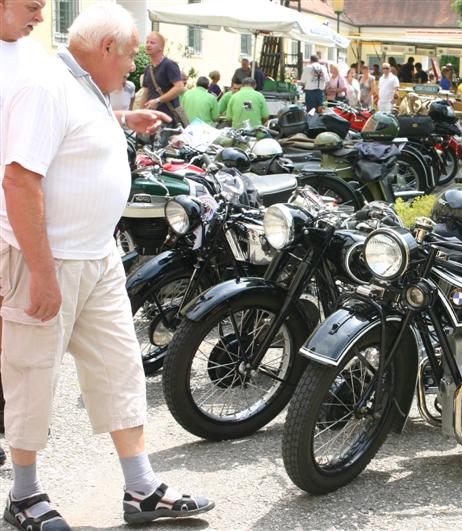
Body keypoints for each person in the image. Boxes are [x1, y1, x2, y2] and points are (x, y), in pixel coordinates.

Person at [0, 3, 215, 528]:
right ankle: (24, 496)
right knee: (32, 376)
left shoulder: (83, 85)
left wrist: (122, 118)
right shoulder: (46, 85)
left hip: (97, 257)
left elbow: (72, 137)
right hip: (49, 261)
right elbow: (19, 180)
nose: (134, 69)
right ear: (105, 49)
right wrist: (43, 271)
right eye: (129, 57)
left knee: (120, 370)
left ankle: (142, 489)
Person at [0, 0, 52, 470]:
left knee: (8, 338)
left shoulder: (35, 58)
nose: (40, 16)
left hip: (10, 222)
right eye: (33, 5)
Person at [141, 31, 185, 126]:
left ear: (161, 47)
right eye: (147, 42)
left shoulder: (169, 65)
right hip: (152, 118)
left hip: (168, 119)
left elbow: (180, 87)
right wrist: (141, 114)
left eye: (152, 43)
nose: (148, 45)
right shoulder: (148, 69)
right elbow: (145, 93)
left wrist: (158, 101)